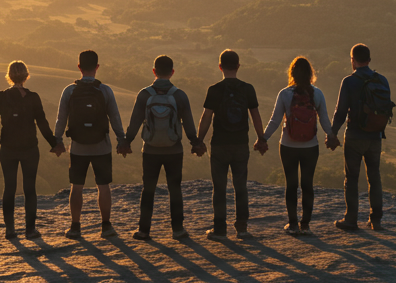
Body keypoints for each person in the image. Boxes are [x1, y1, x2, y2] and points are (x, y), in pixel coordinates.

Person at [0, 60, 58, 240]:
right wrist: (55, 144)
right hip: (29, 149)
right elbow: (42, 124)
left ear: (9, 76)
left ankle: (10, 230)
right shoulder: (33, 97)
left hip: (8, 148)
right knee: (30, 189)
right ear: (26, 76)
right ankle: (30, 230)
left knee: (9, 188)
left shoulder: (1, 96)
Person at [124, 55, 204, 241]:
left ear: (154, 71)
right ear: (172, 72)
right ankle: (178, 230)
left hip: (150, 150)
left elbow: (135, 122)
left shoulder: (144, 94)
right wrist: (195, 143)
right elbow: (189, 124)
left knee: (148, 189)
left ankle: (144, 230)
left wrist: (126, 142)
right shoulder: (179, 95)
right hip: (174, 150)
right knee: (174, 189)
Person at [52, 49, 129, 239]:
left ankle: (75, 227)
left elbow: (61, 119)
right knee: (103, 186)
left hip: (78, 146)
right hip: (102, 146)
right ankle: (106, 226)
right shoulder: (104, 90)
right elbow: (115, 118)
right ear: (97, 67)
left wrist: (58, 141)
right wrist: (122, 140)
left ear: (79, 67)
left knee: (76, 187)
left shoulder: (69, 91)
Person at [195, 49, 267, 239]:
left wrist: (199, 140)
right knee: (240, 186)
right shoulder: (247, 88)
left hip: (219, 145)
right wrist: (261, 138)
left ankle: (219, 230)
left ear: (220, 67)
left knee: (219, 188)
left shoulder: (214, 89)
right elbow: (256, 116)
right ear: (238, 66)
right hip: (241, 144)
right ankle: (242, 228)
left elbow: (206, 117)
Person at [262, 56, 333, 236]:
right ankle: (306, 224)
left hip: (288, 146)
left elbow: (275, 120)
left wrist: (263, 138)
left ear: (291, 73)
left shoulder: (285, 94)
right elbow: (324, 119)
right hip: (311, 147)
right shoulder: (317, 94)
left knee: (291, 184)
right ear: (311, 74)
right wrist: (331, 136)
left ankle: (293, 223)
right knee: (307, 184)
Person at [329, 43, 395, 231]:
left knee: (351, 177)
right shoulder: (382, 80)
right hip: (375, 136)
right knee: (374, 176)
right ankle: (376, 220)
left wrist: (332, 133)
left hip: (355, 136)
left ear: (353, 60)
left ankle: (351, 220)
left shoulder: (349, 81)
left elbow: (341, 112)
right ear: (369, 60)